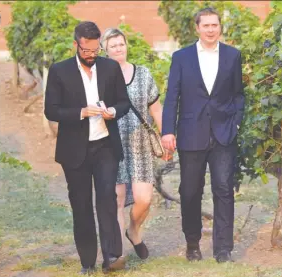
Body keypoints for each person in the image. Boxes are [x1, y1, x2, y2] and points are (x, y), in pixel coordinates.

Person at [44, 21, 131, 274]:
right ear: (76, 45)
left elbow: (123, 103)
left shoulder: (110, 68)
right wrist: (81, 112)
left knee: (107, 198)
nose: (92, 56)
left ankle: (112, 257)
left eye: (95, 51)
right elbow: (52, 110)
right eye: (87, 51)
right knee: (81, 204)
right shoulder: (59, 71)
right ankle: (87, 262)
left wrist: (112, 111)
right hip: (74, 150)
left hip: (105, 146)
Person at [161, 7, 245, 263]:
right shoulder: (181, 57)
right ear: (197, 28)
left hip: (223, 134)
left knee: (223, 189)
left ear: (220, 27)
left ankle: (223, 249)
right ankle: (192, 244)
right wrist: (167, 131)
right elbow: (172, 96)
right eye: (206, 25)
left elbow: (238, 94)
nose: (211, 30)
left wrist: (236, 123)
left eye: (214, 25)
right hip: (190, 133)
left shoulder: (232, 56)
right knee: (190, 191)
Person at [101, 28, 165, 260]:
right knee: (116, 201)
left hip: (140, 145)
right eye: (113, 46)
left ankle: (133, 231)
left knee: (144, 199)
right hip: (111, 145)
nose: (118, 49)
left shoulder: (144, 74)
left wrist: (166, 134)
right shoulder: (100, 77)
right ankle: (117, 256)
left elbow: (155, 109)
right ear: (105, 51)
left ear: (127, 46)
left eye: (121, 44)